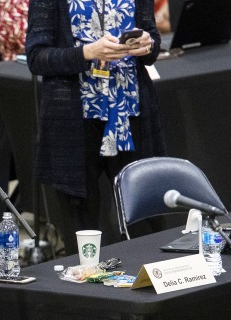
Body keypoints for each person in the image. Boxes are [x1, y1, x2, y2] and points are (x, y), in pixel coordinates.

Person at [26, 0, 167, 252]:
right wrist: (87, 52)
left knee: (146, 222)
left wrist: (147, 44)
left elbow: (153, 45)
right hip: (74, 121)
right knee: (81, 227)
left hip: (130, 113)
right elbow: (37, 58)